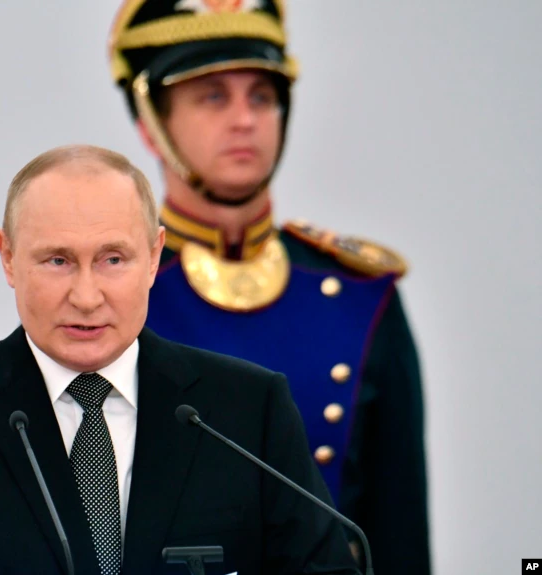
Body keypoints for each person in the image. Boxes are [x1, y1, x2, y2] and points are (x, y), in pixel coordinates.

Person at [0, 144, 360, 575]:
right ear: (7, 257)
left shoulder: (248, 411)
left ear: (154, 256)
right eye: (58, 261)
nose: (87, 297)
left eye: (113, 259)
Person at [106, 1, 430, 572]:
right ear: (150, 122)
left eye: (261, 96)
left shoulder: (360, 295)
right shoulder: (110, 295)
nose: (245, 119)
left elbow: (398, 535)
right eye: (212, 96)